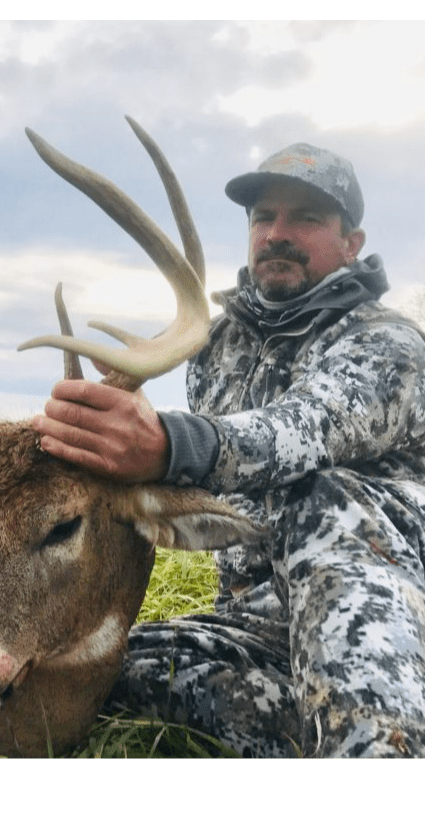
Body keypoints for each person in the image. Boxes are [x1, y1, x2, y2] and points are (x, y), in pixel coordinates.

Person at [32, 143, 425, 758]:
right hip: (259, 623)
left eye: (307, 219)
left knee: (323, 496)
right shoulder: (217, 348)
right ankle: (355, 728)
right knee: (101, 671)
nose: (278, 234)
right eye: (263, 218)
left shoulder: (389, 345)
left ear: (352, 243)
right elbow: (199, 489)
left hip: (394, 610)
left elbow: (302, 432)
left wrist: (167, 443)